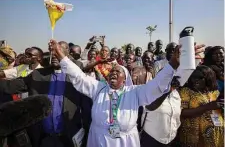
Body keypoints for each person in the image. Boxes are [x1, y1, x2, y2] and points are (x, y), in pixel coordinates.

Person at [49, 39, 181, 147]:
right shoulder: (98, 88)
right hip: (98, 141)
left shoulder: (135, 92)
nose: (113, 72)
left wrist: (173, 64)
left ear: (125, 79)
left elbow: (156, 85)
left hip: (125, 142)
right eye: (112, 71)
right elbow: (78, 76)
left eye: (118, 71)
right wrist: (61, 55)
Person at [0, 41, 92, 147]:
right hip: (42, 138)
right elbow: (10, 86)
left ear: (67, 53)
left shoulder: (77, 77)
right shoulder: (37, 75)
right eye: (52, 51)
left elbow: (87, 111)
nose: (54, 54)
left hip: (68, 137)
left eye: (59, 51)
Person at [178, 65, 224, 147]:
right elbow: (182, 112)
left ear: (208, 78)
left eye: (200, 77)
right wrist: (207, 107)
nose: (195, 80)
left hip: (214, 134)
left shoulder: (214, 92)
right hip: (195, 135)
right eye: (193, 77)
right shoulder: (186, 92)